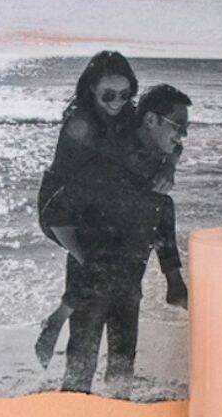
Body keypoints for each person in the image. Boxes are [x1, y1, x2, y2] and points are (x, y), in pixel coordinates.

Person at [55, 84, 191, 397]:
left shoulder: (159, 152)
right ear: (152, 121)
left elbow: (176, 152)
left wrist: (170, 165)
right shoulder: (113, 147)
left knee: (122, 366)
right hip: (92, 268)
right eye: (179, 127)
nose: (182, 137)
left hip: (130, 273)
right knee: (80, 368)